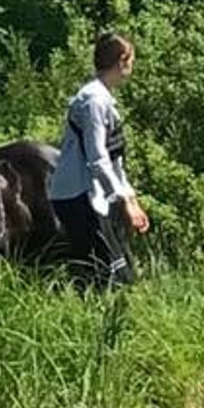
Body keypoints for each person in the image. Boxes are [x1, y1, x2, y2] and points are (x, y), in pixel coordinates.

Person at [48, 30, 150, 290]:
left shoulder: (104, 98)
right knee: (108, 275)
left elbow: (114, 158)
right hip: (80, 194)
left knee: (122, 271)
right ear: (122, 60)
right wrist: (123, 201)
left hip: (98, 195)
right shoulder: (93, 101)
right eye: (132, 60)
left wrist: (131, 198)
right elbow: (97, 159)